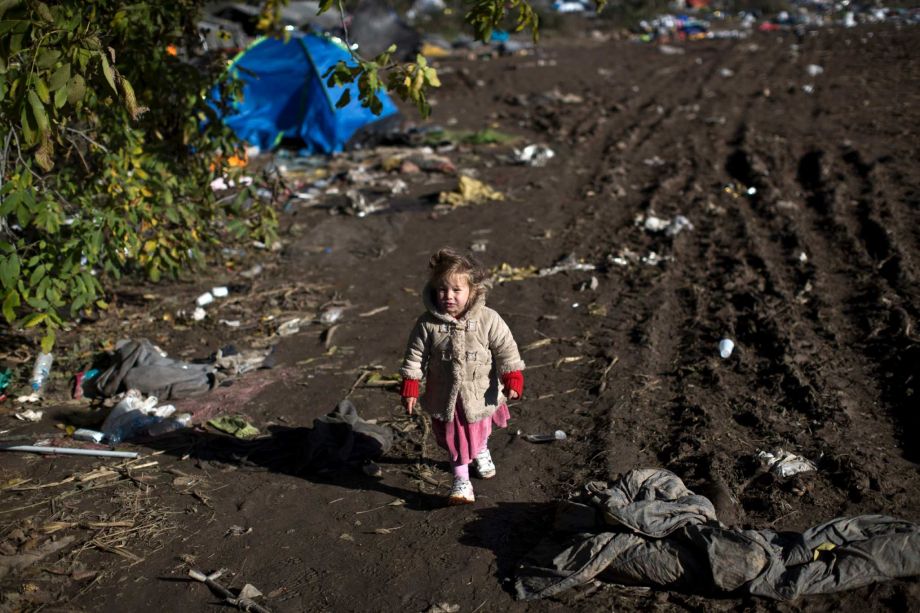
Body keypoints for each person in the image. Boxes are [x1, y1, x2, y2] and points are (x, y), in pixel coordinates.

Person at [400, 248, 525, 505]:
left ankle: (474, 459)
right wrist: (411, 384)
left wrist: (512, 375)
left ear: (472, 290)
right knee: (454, 439)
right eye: (442, 289)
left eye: (457, 290)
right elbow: (415, 356)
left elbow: (506, 348)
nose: (449, 296)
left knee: (480, 426)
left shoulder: (488, 319)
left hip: (479, 391)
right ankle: (462, 477)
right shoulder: (428, 324)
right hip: (447, 395)